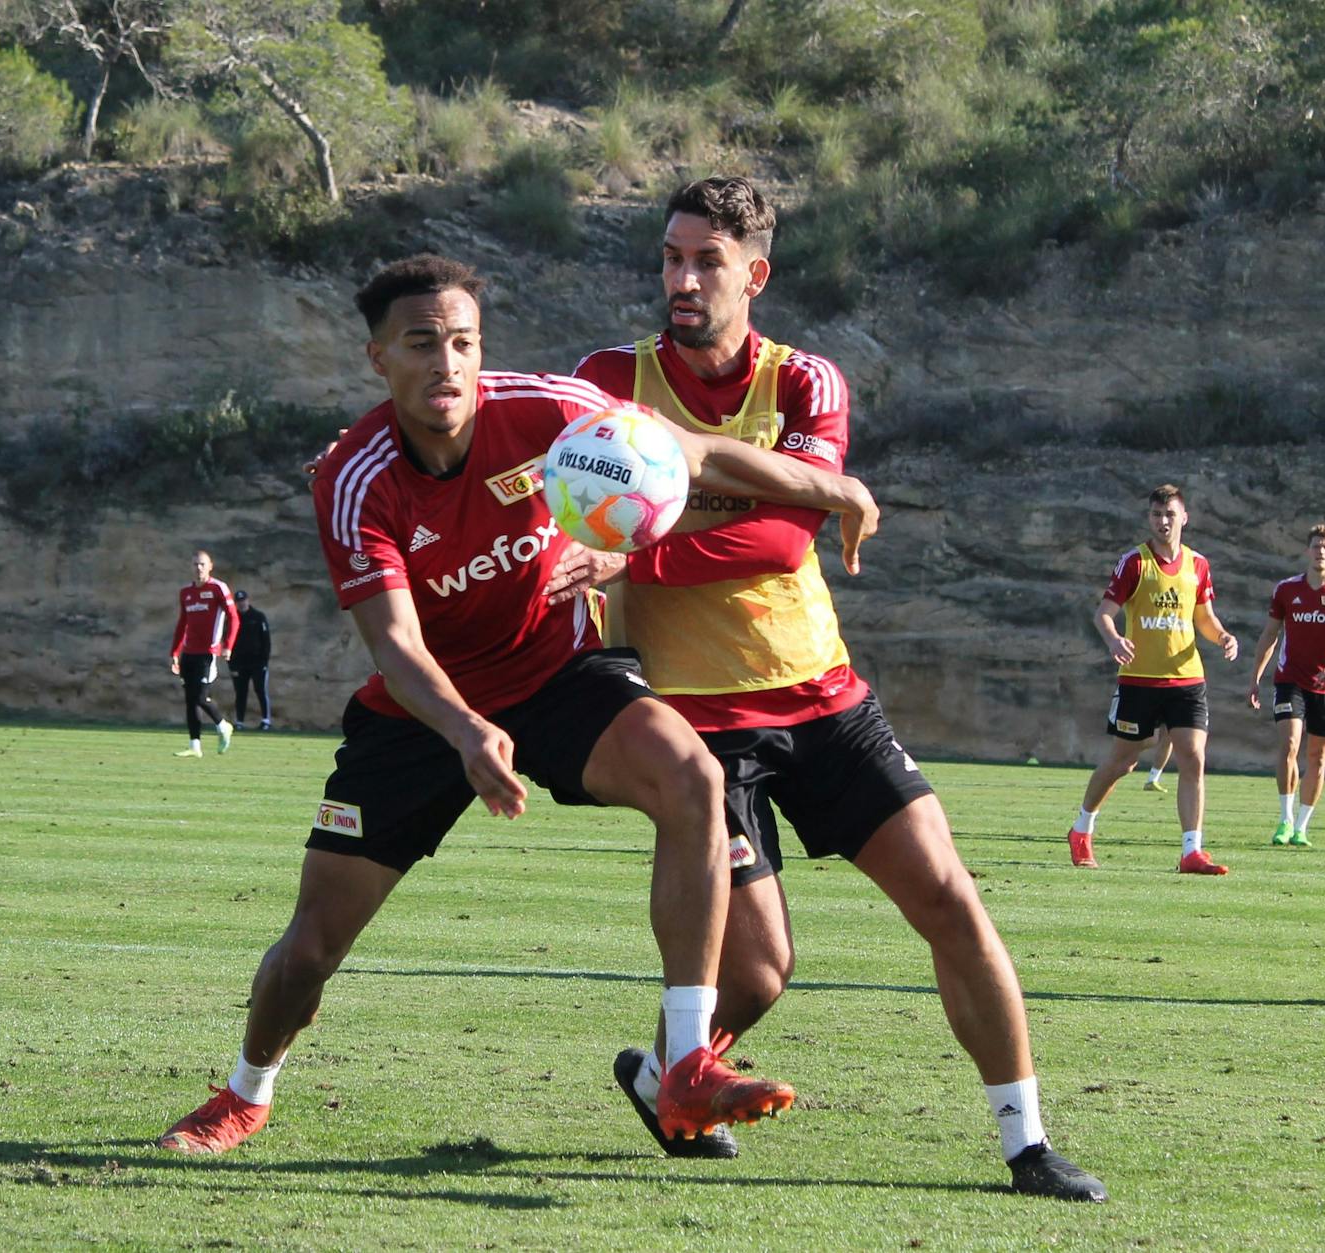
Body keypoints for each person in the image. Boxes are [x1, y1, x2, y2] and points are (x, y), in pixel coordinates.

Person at [156, 252, 880, 1156]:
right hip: (423, 713)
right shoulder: (353, 477)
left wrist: (838, 487)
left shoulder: (549, 410)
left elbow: (689, 452)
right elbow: (397, 646)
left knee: (692, 775)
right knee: (311, 947)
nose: (447, 363)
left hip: (557, 674)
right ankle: (245, 1091)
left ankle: (688, 1059)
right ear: (379, 357)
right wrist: (466, 731)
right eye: (422, 343)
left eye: (463, 342)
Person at [553, 176, 1105, 1200]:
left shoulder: (806, 380)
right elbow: (574, 496)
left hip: (822, 695)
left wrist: (641, 546)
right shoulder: (608, 380)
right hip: (693, 725)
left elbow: (779, 536)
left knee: (950, 899)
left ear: (754, 274)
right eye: (671, 258)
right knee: (760, 971)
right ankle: (670, 1077)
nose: (681, 279)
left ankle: (1026, 1142)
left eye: (706, 261)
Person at [1066, 484, 1239, 874]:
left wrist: (1223, 637)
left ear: (1184, 518)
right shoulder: (1134, 562)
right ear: (1149, 518)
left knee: (1193, 756)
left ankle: (1192, 851)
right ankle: (1082, 828)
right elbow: (1103, 613)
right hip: (1139, 681)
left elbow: (1204, 618)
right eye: (1157, 515)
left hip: (1187, 679)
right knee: (1123, 761)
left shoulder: (1198, 564)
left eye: (1170, 514)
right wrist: (1114, 639)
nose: (1163, 522)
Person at [1247, 524, 1325, 847]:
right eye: (1316, 546)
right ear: (1307, 551)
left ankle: (1301, 827)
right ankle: (1284, 820)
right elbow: (1270, 635)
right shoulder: (1286, 590)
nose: (1321, 552)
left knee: (1318, 758)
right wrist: (1255, 678)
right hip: (1290, 681)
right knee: (1289, 745)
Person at [169, 550, 239, 758]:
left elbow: (234, 618)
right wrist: (175, 651)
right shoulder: (186, 593)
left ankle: (223, 725)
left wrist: (228, 645)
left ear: (210, 566)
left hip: (208, 653)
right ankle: (195, 746)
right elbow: (182, 624)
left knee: (199, 696)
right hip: (188, 654)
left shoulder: (218, 588)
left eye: (202, 564)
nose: (198, 568)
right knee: (190, 700)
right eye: (195, 564)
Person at [229, 589, 272, 730]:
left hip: (258, 662)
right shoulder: (233, 619)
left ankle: (266, 720)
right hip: (239, 663)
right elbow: (228, 641)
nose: (241, 603)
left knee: (260, 690)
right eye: (238, 601)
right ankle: (239, 721)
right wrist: (231, 664)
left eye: (243, 600)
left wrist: (264, 661)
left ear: (248, 600)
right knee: (240, 692)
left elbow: (266, 641)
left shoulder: (258, 617)